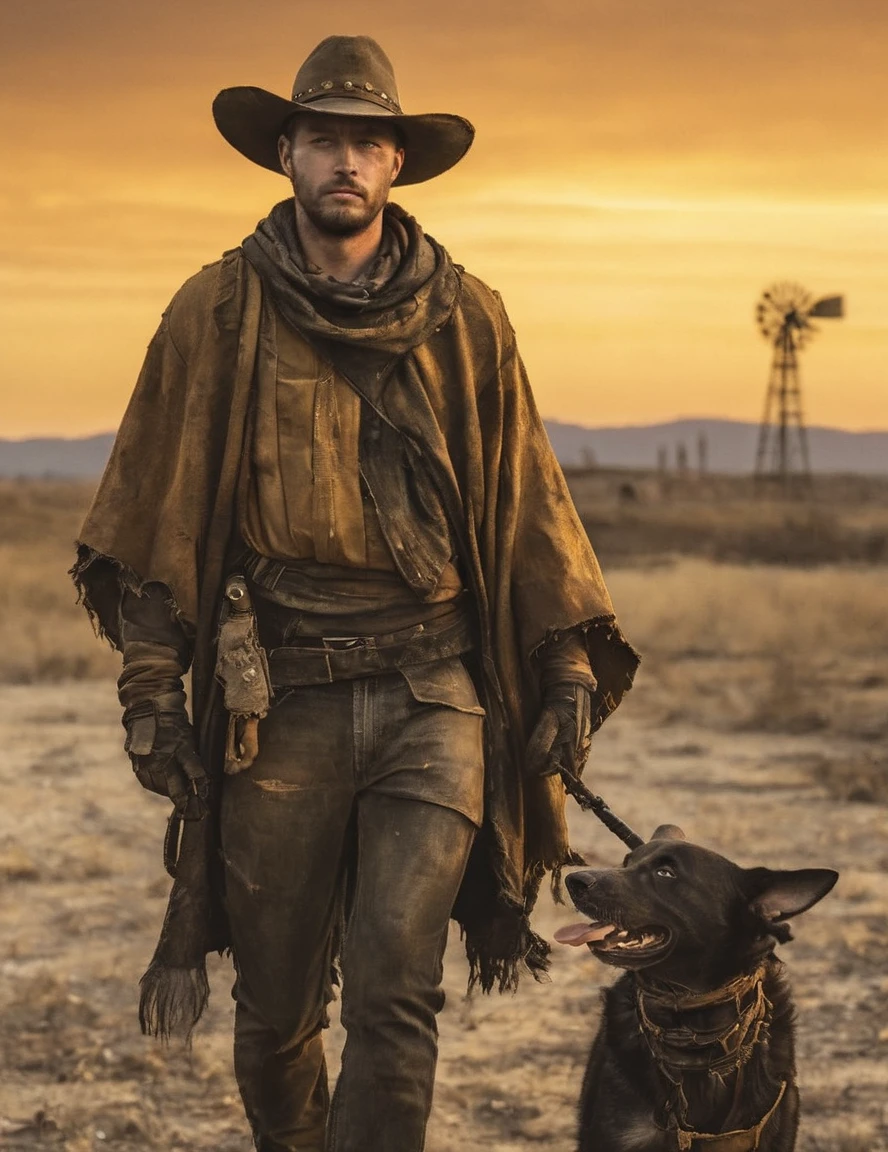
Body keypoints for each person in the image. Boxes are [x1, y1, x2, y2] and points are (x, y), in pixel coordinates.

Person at [73, 34, 638, 1152]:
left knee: (396, 993)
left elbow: (526, 497)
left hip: (436, 698)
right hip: (277, 703)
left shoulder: (466, 317)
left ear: (395, 164)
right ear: (284, 152)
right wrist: (150, 688)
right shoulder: (217, 312)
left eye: (366, 141)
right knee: (277, 1012)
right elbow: (156, 507)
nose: (345, 160)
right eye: (322, 137)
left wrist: (565, 660)